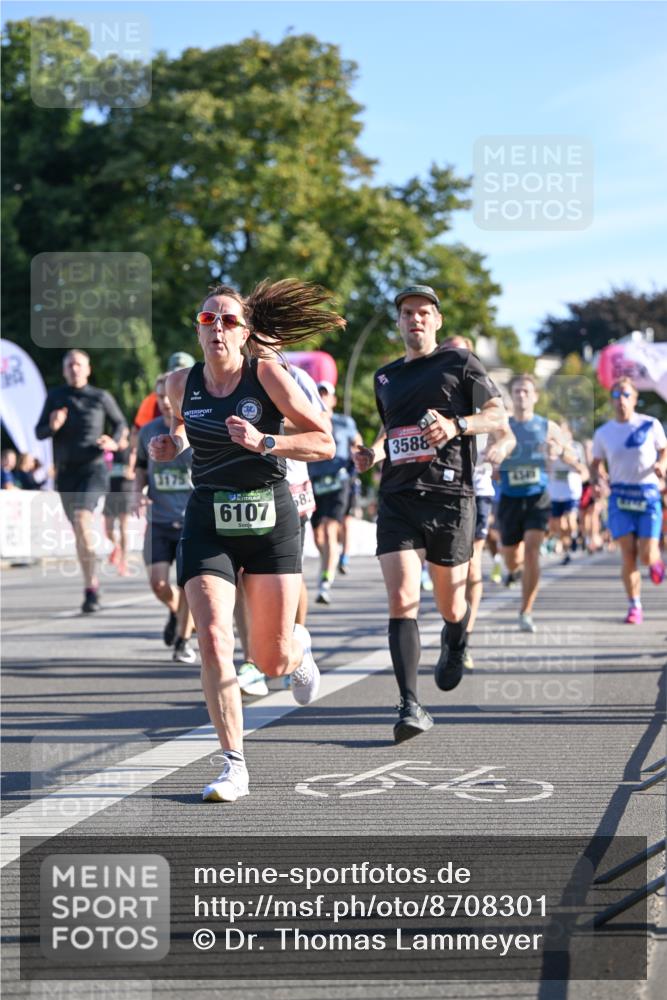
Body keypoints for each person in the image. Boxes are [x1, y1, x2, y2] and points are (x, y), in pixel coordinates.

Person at [149, 279, 339, 801]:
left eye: (228, 320)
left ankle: (296, 651)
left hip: (268, 514)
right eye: (208, 319)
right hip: (209, 513)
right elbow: (186, 429)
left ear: (246, 331)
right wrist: (172, 444)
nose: (217, 328)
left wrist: (266, 441)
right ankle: (234, 763)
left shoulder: (268, 375)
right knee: (213, 638)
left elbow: (324, 441)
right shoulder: (178, 383)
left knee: (269, 659)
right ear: (198, 328)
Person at [354, 285, 506, 743]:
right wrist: (375, 454)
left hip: (450, 499)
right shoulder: (385, 377)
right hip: (398, 499)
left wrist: (458, 424)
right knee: (402, 600)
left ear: (436, 321)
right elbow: (391, 427)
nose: (414, 319)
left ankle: (456, 638)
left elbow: (497, 415)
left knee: (450, 605)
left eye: (423, 313)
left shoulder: (459, 363)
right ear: (398, 323)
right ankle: (409, 704)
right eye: (406, 313)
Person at [233, 351, 328, 696]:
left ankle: (294, 641)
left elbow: (320, 429)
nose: (257, 346)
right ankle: (251, 662)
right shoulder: (232, 378)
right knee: (243, 577)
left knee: (288, 579)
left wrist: (267, 430)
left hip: (291, 488)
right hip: (246, 493)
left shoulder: (295, 377)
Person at [440, 335, 516, 668]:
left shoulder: (481, 393)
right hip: (435, 491)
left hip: (477, 490)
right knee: (441, 567)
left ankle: (463, 636)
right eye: (449, 352)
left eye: (463, 353)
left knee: (472, 565)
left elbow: (506, 432)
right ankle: (453, 619)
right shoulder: (427, 390)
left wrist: (502, 447)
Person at [35, 349, 127, 612]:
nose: (74, 369)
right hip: (65, 473)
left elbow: (120, 423)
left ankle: (91, 587)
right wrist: (53, 425)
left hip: (93, 469)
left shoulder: (100, 397)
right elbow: (39, 432)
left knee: (81, 520)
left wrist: (114, 440)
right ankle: (91, 584)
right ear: (64, 370)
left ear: (88, 369)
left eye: (78, 364)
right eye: (69, 365)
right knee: (79, 531)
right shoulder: (55, 397)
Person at [496, 373, 569, 633]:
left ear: (535, 396)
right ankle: (512, 571)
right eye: (517, 391)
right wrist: (494, 460)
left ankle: (525, 610)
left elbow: (565, 450)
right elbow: (492, 457)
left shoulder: (547, 426)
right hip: (508, 498)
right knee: (512, 556)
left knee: (531, 552)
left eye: (526, 391)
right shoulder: (501, 425)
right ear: (511, 396)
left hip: (537, 496)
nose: (522, 395)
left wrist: (557, 451)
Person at [591, 377, 666, 623]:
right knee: (628, 555)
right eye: (615, 395)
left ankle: (655, 562)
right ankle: (635, 605)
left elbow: (664, 449)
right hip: (620, 498)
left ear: (634, 399)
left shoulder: (650, 424)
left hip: (647, 495)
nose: (620, 400)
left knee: (646, 554)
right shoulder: (603, 433)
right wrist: (597, 480)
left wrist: (660, 465)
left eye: (625, 395)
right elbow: (595, 464)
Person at [134, 374, 197, 663]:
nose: (163, 402)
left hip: (190, 519)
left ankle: (183, 641)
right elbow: (140, 468)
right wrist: (138, 493)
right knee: (159, 584)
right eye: (158, 397)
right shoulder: (147, 431)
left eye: (167, 397)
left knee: (187, 584)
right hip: (158, 519)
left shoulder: (194, 429)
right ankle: (176, 612)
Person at [308, 381, 361, 604]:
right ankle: (327, 561)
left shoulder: (344, 422)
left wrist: (358, 454)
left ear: (333, 399)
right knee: (318, 535)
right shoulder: (307, 419)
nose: (322, 397)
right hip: (315, 482)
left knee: (330, 530)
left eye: (326, 394)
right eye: (319, 393)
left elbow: (357, 442)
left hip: (339, 482)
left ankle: (324, 582)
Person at [547, 420, 588, 565]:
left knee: (570, 521)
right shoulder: (549, 447)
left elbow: (583, 469)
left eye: (563, 432)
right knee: (559, 525)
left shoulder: (576, 447)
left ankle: (575, 535)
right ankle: (567, 551)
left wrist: (565, 455)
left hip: (571, 491)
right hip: (555, 491)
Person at [103, 428, 134, 576]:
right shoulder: (110, 451)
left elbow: (133, 472)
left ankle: (124, 563)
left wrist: (128, 471)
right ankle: (117, 547)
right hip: (111, 492)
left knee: (123, 527)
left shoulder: (131, 450)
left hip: (126, 491)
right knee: (108, 528)